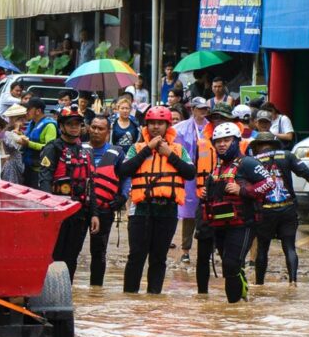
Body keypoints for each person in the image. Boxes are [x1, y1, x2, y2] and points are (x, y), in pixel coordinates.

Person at [118, 106, 196, 294]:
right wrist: (148, 149)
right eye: (152, 123)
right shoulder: (136, 148)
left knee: (158, 258)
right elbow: (124, 170)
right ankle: (130, 297)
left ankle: (154, 298)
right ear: (146, 125)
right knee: (136, 256)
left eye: (160, 123)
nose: (155, 127)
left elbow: (190, 173)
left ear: (167, 126)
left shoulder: (178, 149)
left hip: (167, 210)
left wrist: (168, 154)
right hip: (141, 209)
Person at [201, 123, 274, 303]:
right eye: (218, 141)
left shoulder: (247, 163)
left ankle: (236, 304)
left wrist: (242, 191)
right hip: (220, 224)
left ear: (236, 141)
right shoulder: (218, 168)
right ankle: (235, 311)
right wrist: (206, 193)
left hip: (244, 223)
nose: (222, 145)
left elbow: (269, 183)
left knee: (231, 264)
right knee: (229, 267)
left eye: (227, 140)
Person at [250, 132, 309, 286]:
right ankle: (293, 282)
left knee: (263, 248)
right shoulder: (287, 155)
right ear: (274, 143)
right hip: (288, 208)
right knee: (289, 247)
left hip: (265, 211)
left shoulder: (252, 162)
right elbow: (306, 172)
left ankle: (259, 284)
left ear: (257, 146)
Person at [192, 103, 250, 293]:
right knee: (202, 255)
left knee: (231, 258)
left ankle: (238, 294)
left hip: (234, 209)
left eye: (222, 118)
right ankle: (202, 297)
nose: (218, 122)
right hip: (207, 205)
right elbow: (193, 169)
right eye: (214, 118)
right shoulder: (202, 142)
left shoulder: (244, 145)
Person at [39, 107, 95, 281]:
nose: (74, 128)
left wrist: (94, 214)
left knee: (72, 257)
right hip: (59, 213)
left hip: (80, 212)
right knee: (54, 255)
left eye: (77, 124)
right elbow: (45, 179)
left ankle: (66, 292)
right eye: (70, 124)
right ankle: (49, 294)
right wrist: (49, 210)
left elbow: (90, 184)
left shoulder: (86, 151)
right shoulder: (53, 148)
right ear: (61, 126)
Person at [85, 115, 129, 286]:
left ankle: (96, 290)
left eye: (100, 128)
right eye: (93, 127)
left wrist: (123, 196)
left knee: (98, 252)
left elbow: (125, 177)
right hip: (81, 207)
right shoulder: (79, 149)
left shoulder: (117, 152)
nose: (96, 131)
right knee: (71, 251)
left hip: (104, 208)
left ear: (108, 132)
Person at [172, 97, 210, 264]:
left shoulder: (212, 128)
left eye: (205, 109)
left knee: (209, 213)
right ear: (193, 109)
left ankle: (209, 250)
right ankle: (186, 250)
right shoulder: (180, 129)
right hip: (190, 176)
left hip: (208, 176)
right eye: (200, 108)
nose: (203, 111)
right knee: (188, 214)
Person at [20, 98, 57, 188]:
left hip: (40, 170)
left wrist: (29, 144)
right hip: (28, 167)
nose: (26, 112)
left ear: (38, 111)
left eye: (29, 109)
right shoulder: (32, 123)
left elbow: (49, 148)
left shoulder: (50, 126)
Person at [1, 104, 27, 184]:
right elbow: (19, 142)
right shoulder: (6, 133)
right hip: (11, 165)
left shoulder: (19, 132)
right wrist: (16, 128)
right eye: (22, 120)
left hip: (19, 163)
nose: (24, 122)